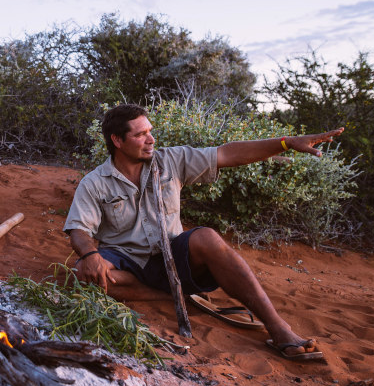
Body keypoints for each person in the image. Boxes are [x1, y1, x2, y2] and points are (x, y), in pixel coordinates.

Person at [64, 103, 344, 361]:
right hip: (127, 260)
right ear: (117, 140)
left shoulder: (171, 161)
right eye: (141, 134)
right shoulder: (95, 182)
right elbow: (78, 228)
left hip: (170, 255)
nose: (151, 139)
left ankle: (278, 327)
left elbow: (227, 153)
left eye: (150, 131)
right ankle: (174, 295)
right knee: (84, 273)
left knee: (207, 236)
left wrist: (286, 143)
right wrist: (90, 254)